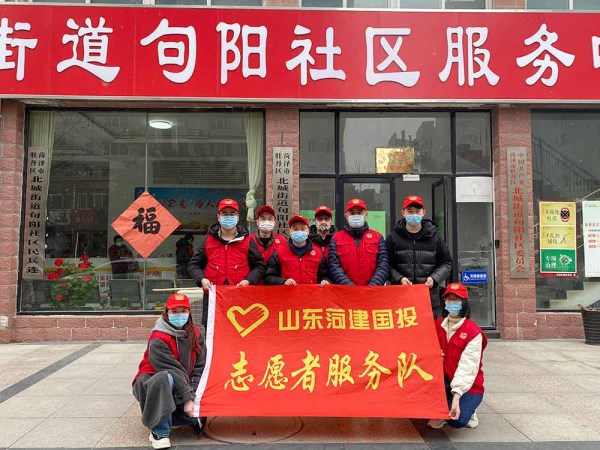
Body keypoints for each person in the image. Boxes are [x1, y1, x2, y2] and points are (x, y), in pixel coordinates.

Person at [132, 293, 206, 449]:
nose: (179, 315)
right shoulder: (158, 338)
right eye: (174, 311)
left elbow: (199, 368)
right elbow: (173, 370)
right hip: (152, 382)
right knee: (165, 378)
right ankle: (159, 431)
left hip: (182, 382)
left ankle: (172, 416)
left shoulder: (195, 334)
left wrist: (193, 394)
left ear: (189, 312)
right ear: (167, 312)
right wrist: (188, 399)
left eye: (183, 311)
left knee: (200, 413)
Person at [188, 198, 266, 328]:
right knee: (213, 333)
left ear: (237, 217)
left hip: (240, 296)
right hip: (214, 298)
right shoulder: (209, 241)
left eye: (232, 214)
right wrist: (201, 279)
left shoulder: (247, 240)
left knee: (240, 331)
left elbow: (259, 266)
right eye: (225, 214)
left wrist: (249, 280)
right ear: (218, 217)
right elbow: (193, 265)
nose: (228, 217)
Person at [428, 282, 487, 430]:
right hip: (443, 380)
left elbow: (468, 367)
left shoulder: (473, 332)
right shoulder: (438, 325)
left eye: (456, 300)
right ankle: (443, 408)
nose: (451, 303)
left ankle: (468, 411)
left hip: (468, 386)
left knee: (457, 420)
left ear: (464, 303)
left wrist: (457, 397)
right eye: (448, 299)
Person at [386, 195, 452, 318]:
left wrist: (434, 278)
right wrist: (399, 278)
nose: (414, 215)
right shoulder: (393, 238)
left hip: (428, 297)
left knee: (428, 329)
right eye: (410, 211)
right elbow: (387, 265)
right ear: (403, 213)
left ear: (423, 213)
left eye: (417, 211)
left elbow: (446, 263)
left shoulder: (435, 237)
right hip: (401, 297)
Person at [328, 198, 388, 286]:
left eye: (359, 213)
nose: (356, 216)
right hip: (346, 291)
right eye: (352, 213)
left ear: (366, 214)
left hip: (372, 291)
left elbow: (383, 264)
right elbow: (334, 266)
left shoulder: (378, 237)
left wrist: (372, 286)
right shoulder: (336, 238)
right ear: (346, 215)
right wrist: (349, 286)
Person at [265, 215, 329, 286]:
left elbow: (326, 275)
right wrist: (282, 281)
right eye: (295, 229)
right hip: (288, 292)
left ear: (308, 231)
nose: (299, 232)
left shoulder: (318, 253)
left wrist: (325, 281)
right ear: (289, 231)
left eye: (303, 229)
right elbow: (268, 277)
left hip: (310, 293)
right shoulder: (279, 252)